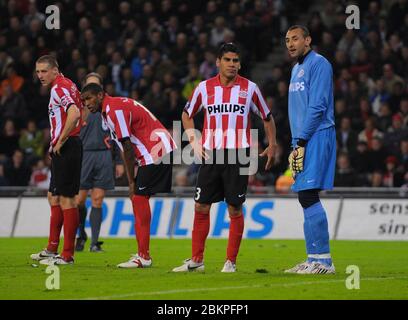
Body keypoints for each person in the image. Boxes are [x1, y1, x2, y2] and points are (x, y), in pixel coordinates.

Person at [172, 43, 277, 273]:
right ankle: (197, 260)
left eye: (236, 60)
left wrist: (272, 144)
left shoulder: (250, 88)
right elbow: (186, 115)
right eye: (228, 60)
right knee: (201, 206)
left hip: (238, 154)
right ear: (218, 62)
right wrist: (193, 141)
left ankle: (230, 262)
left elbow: (267, 117)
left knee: (235, 208)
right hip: (211, 154)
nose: (232, 64)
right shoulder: (203, 88)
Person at [81, 83, 177, 268]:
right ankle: (143, 253)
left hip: (155, 151)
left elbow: (126, 146)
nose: (87, 104)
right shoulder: (112, 107)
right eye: (84, 100)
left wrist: (131, 181)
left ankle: (143, 256)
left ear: (100, 95)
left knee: (139, 198)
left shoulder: (113, 110)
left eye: (89, 99)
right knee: (139, 200)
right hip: (156, 149)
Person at [285, 25, 336, 274]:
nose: (291, 43)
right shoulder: (295, 69)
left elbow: (318, 105)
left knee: (308, 194)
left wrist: (302, 141)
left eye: (295, 38)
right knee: (304, 196)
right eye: (287, 40)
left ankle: (324, 261)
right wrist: (295, 143)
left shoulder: (320, 64)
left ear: (308, 39)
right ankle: (313, 258)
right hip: (302, 139)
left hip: (316, 135)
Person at [30, 55, 83, 265]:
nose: (40, 76)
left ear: (54, 70)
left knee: (67, 200)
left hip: (67, 146)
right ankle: (52, 248)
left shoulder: (58, 88)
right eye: (38, 72)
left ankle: (67, 255)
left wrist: (60, 140)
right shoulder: (69, 84)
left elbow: (75, 113)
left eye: (44, 71)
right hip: (67, 145)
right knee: (54, 196)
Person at [75, 72, 120, 253]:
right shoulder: (78, 108)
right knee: (78, 200)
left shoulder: (109, 107)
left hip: (103, 155)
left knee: (98, 199)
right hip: (83, 155)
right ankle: (81, 234)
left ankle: (94, 242)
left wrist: (118, 160)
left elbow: (117, 134)